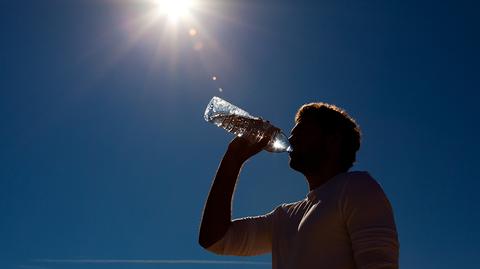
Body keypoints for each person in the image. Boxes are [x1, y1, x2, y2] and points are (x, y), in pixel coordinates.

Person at [198, 102, 399, 269]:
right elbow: (214, 239)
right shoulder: (283, 217)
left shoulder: (357, 187)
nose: (291, 138)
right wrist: (233, 158)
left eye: (302, 131)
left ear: (332, 140)